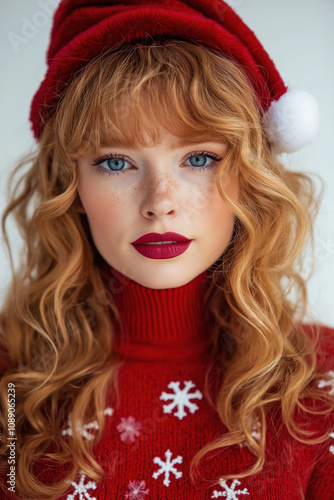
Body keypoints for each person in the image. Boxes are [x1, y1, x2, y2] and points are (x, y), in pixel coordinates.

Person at [0, 1, 333, 499]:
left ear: (250, 177)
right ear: (71, 186)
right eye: (115, 162)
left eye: (198, 158)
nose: (160, 203)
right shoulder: (10, 385)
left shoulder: (321, 381)